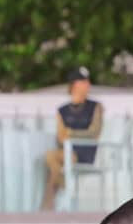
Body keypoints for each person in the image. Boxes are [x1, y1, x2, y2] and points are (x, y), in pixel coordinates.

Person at [41, 67, 104, 210]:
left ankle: (49, 205)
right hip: (67, 153)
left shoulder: (95, 107)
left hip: (84, 152)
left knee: (52, 162)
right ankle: (58, 196)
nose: (87, 85)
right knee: (52, 167)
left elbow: (94, 132)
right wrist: (67, 136)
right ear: (74, 85)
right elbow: (60, 136)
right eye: (83, 82)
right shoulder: (62, 111)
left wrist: (70, 133)